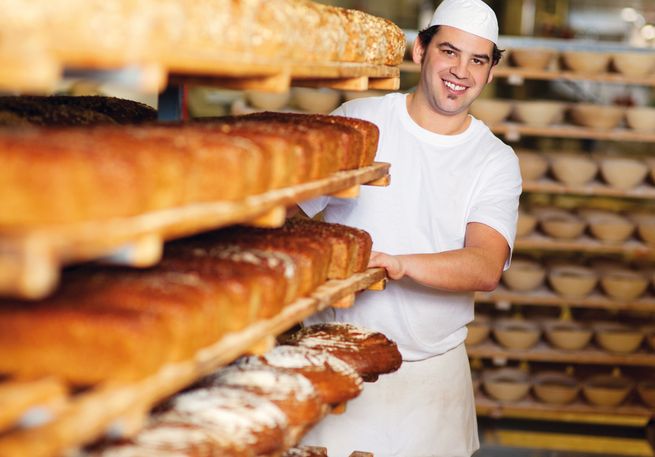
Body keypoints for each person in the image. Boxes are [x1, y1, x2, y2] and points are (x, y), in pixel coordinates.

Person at [298, 0, 522, 456]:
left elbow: (485, 265)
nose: (461, 70)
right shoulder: (360, 120)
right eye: (449, 52)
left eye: (478, 60)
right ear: (421, 51)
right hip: (334, 360)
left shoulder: (494, 160)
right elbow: (292, 215)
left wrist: (397, 263)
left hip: (430, 382)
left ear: (490, 72)